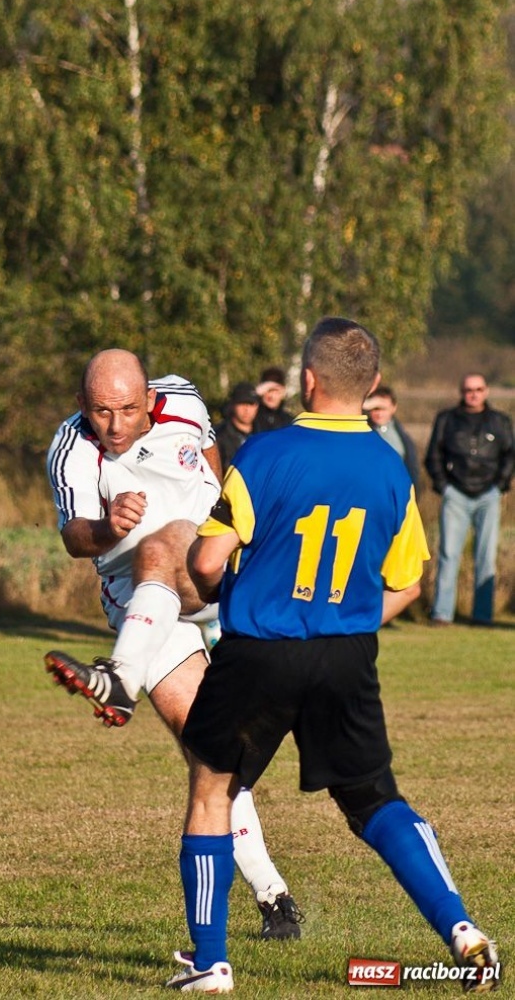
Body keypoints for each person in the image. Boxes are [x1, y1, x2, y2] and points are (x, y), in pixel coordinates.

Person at [165, 318, 498, 993]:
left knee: (213, 787)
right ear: (372, 385)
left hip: (259, 650)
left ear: (308, 381)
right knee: (374, 798)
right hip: (345, 655)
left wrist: (212, 590)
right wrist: (344, 620)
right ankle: (461, 929)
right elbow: (408, 583)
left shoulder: (263, 453)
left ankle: (210, 963)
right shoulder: (390, 468)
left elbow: (205, 561)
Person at [45, 349, 302, 940]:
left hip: (216, 572)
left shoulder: (184, 399)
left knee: (171, 540)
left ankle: (120, 677)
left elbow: (213, 465)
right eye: (100, 412)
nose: (113, 425)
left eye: (126, 410)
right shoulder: (70, 445)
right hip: (140, 601)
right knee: (209, 750)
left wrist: (227, 522)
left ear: (150, 399)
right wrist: (107, 526)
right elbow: (73, 536)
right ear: (82, 404)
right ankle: (274, 896)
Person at [424, 373, 513, 627]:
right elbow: (433, 455)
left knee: (485, 556)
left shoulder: (500, 421)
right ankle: (442, 614)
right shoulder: (447, 420)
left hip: (488, 495)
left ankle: (482, 615)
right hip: (456, 494)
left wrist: (499, 485)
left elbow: (509, 455)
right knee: (448, 554)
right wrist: (444, 486)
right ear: (461, 392)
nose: (473, 394)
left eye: (478, 389)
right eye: (469, 390)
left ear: (486, 391)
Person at [363, 384, 421, 493]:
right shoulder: (363, 433)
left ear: (394, 408)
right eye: (375, 408)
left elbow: (412, 468)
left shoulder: (401, 434)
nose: (379, 413)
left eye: (383, 408)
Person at [214, 382, 259, 473]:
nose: (246, 409)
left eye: (251, 404)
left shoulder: (264, 434)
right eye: (242, 403)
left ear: (257, 406)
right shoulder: (218, 437)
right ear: (232, 404)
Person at [254, 366, 294, 432]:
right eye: (268, 391)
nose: (271, 396)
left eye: (275, 391)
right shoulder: (251, 417)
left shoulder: (289, 421)